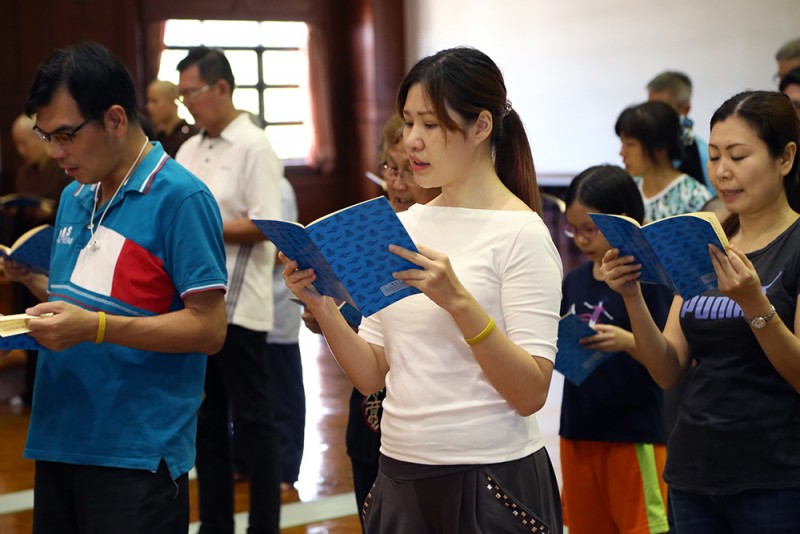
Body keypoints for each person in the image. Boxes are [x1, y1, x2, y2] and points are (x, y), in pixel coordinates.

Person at [283, 46, 563, 532]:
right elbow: (371, 373)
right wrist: (322, 306)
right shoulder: (402, 226)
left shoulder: (522, 233)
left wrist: (459, 303)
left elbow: (531, 392)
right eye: (409, 121)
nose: (412, 139)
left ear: (481, 126)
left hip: (492, 475)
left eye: (430, 124)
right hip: (401, 467)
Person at [3, 41, 228, 534]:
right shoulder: (74, 195)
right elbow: (83, 306)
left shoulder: (181, 198)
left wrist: (97, 327)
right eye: (46, 136)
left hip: (135, 451)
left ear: (116, 119)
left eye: (66, 135)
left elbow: (209, 329)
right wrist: (34, 285)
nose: (56, 153)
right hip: (59, 435)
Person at [601, 90, 800, 532]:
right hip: (693, 471)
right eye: (714, 157)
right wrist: (632, 295)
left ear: (785, 158)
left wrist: (756, 305)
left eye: (738, 156)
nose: (722, 171)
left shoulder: (795, 243)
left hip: (775, 478)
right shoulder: (708, 238)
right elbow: (667, 369)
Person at [174, 46, 282, 534]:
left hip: (241, 304)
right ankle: (216, 524)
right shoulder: (188, 149)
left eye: (191, 93)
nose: (186, 104)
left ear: (221, 88)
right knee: (207, 419)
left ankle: (264, 525)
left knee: (255, 422)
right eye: (181, 96)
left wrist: (202, 226)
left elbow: (267, 223)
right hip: (195, 303)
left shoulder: (254, 145)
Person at [558, 164, 672, 534]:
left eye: (589, 229)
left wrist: (626, 341)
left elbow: (671, 359)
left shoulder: (649, 280)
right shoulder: (574, 280)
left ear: (621, 222)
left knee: (641, 527)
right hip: (578, 429)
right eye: (573, 228)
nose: (580, 239)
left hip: (633, 432)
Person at [8, 113, 73, 406]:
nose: (22, 151)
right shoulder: (24, 171)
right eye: (17, 146)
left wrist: (46, 211)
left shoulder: (62, 171)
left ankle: (48, 387)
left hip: (51, 251)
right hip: (24, 252)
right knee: (26, 316)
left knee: (50, 315)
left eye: (26, 143)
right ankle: (30, 387)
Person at [264, 176, 305, 493]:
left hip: (277, 299)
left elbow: (280, 248)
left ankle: (286, 467)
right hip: (243, 306)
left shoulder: (278, 188)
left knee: (283, 389)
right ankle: (245, 461)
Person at [616, 100, 712, 223]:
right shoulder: (628, 189)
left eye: (630, 144)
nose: (622, 152)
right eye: (622, 143)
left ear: (659, 148)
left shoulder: (693, 197)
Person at [647, 71, 713, 194]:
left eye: (661, 109)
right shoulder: (641, 152)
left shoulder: (705, 157)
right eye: (649, 107)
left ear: (684, 109)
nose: (651, 116)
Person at [146, 80, 198, 157]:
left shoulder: (190, 135)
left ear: (172, 101)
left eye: (154, 101)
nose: (149, 107)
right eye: (148, 101)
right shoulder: (159, 137)